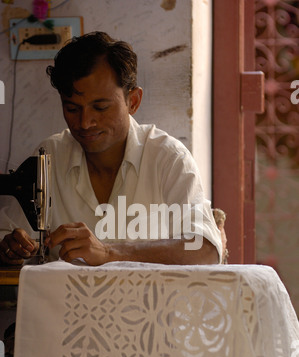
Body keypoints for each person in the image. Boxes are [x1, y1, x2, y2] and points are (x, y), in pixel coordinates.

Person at [0, 31, 222, 266]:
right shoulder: (50, 156)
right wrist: (11, 248)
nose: (85, 123)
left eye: (101, 107)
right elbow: (7, 234)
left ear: (133, 101)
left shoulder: (167, 158)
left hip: (148, 303)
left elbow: (205, 250)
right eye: (72, 109)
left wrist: (109, 253)